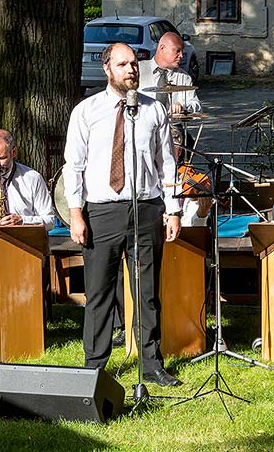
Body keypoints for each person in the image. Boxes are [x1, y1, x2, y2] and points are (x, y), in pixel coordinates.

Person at [64, 42, 183, 387]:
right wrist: (75, 213)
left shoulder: (153, 111)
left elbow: (168, 165)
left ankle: (151, 363)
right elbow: (74, 166)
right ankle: (95, 364)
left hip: (146, 209)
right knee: (100, 291)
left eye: (134, 64)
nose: (131, 69)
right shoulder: (86, 112)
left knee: (146, 291)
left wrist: (172, 210)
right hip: (101, 211)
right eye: (122, 64)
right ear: (107, 69)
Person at [0, 129, 54, 229]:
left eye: (2, 158)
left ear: (14, 152)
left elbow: (50, 221)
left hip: (24, 241)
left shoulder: (33, 178)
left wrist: (23, 221)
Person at [138, 32, 201, 115]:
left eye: (182, 51)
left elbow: (197, 105)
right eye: (177, 51)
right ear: (162, 48)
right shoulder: (138, 70)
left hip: (173, 125)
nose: (181, 55)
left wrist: (183, 106)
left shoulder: (184, 77)